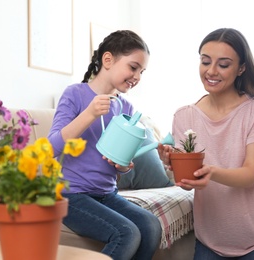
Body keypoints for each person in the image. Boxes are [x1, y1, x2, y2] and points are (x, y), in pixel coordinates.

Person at [158, 28, 254, 259]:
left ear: (241, 68)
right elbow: (187, 185)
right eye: (205, 61)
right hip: (210, 242)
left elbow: (250, 174)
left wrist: (211, 172)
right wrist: (173, 164)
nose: (211, 71)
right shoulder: (184, 116)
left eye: (223, 64)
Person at [48, 30, 161, 260]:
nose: (137, 76)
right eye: (133, 67)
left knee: (151, 226)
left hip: (107, 194)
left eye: (142, 71)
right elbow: (51, 147)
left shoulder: (126, 108)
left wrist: (123, 166)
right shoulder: (75, 94)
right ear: (108, 60)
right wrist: (89, 113)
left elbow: (122, 163)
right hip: (71, 195)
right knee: (126, 233)